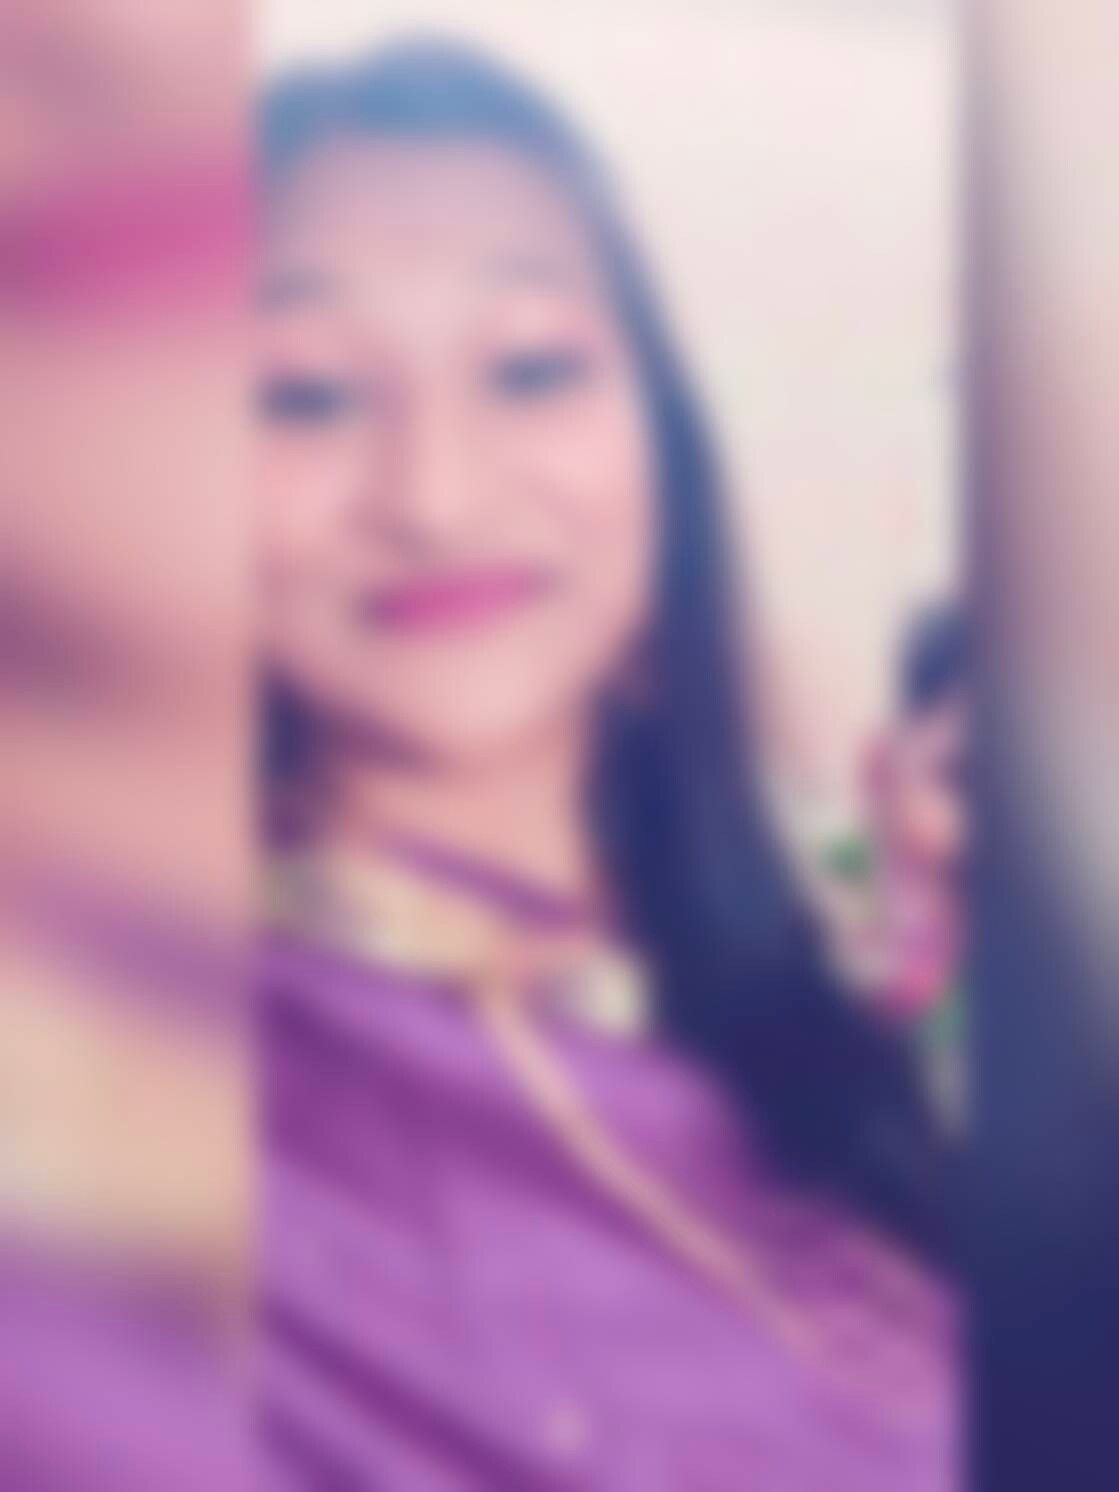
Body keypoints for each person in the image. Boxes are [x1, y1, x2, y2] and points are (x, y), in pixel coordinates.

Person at [257, 40, 957, 1490]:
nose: (436, 494)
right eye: (306, 394)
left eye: (530, 368)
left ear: (661, 444)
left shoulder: (786, 977)